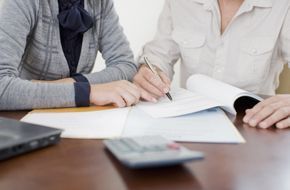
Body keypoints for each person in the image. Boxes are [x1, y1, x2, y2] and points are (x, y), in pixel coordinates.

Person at [133, 0, 290, 129]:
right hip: (190, 123)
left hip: (254, 125)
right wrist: (150, 72)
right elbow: (159, 53)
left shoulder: (283, 5)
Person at [0, 0, 140, 110]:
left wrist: (72, 84)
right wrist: (87, 92)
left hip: (74, 117)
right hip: (24, 120)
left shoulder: (101, 3)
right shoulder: (23, 2)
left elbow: (126, 66)